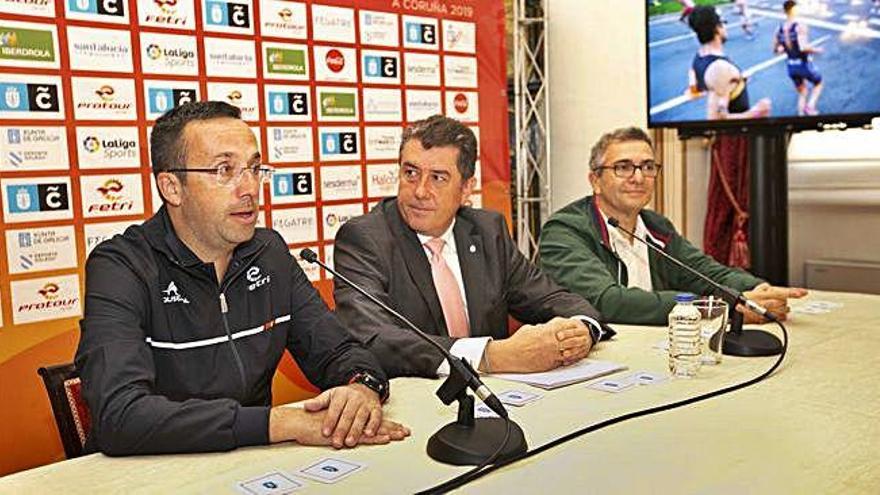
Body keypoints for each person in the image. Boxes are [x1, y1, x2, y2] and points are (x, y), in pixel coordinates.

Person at [75, 101, 409, 456]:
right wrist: (282, 423)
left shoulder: (270, 254)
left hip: (246, 465)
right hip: (150, 474)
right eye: (224, 170)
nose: (249, 187)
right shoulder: (122, 265)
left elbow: (340, 351)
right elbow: (120, 417)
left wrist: (361, 389)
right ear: (172, 188)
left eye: (254, 168)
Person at [332, 115, 613, 378]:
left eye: (438, 178)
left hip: (496, 402)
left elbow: (552, 299)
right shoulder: (365, 238)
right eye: (411, 173)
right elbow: (374, 337)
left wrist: (582, 329)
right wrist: (494, 356)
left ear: (467, 188)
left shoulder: (487, 231)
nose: (419, 191)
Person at [538, 127, 808, 326]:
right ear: (595, 180)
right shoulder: (564, 231)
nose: (638, 177)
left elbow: (704, 272)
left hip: (656, 346)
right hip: (597, 357)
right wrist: (718, 307)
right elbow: (608, 302)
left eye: (647, 167)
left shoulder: (656, 225)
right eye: (623, 167)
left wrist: (758, 290)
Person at [687, 5, 772, 120]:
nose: (726, 27)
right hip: (737, 135)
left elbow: (698, 83)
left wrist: (737, 82)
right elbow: (715, 119)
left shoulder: (700, 56)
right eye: (723, 23)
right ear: (717, 28)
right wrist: (757, 112)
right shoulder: (719, 69)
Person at [773, 0, 824, 116]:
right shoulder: (799, 26)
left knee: (802, 92)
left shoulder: (779, 29)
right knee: (818, 83)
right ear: (794, 10)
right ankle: (810, 107)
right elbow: (803, 47)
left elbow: (775, 50)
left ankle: (801, 115)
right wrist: (817, 50)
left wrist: (784, 48)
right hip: (803, 64)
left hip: (791, 66)